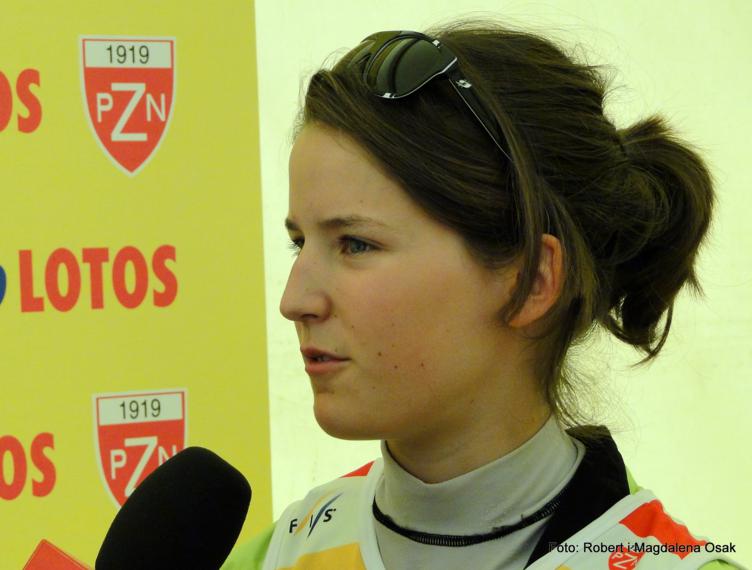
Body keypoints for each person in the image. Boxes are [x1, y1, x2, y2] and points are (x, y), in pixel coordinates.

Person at [223, 19, 743, 570]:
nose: (294, 301)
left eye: (355, 244)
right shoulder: (278, 555)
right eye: (299, 243)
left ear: (531, 282)